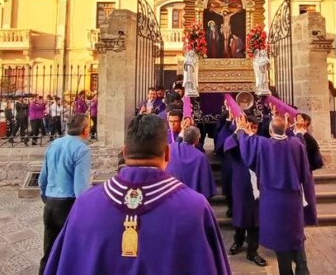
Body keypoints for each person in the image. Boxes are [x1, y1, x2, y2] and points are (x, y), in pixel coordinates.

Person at [43, 114, 231, 275]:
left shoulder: (85, 204)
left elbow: (67, 264)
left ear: (124, 153)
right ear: (167, 153)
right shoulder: (195, 207)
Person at [234, 115, 317, 275]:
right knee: (296, 235)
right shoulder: (296, 144)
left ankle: (286, 271)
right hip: (293, 198)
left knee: (281, 239)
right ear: (285, 128)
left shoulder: (263, 145)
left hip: (273, 200)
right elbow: (305, 171)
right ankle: (302, 269)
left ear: (270, 131)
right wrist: (299, 131)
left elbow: (248, 147)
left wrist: (241, 130)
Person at [38, 114, 92, 274]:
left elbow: (42, 178)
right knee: (69, 250)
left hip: (50, 203)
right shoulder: (82, 149)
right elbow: (80, 186)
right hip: (68, 205)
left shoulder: (54, 144)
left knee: (48, 250)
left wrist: (46, 198)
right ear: (85, 129)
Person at [222, 115, 267, 267]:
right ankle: (238, 241)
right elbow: (226, 146)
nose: (252, 130)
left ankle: (252, 251)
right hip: (241, 184)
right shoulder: (237, 140)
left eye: (254, 128)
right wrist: (238, 131)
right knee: (240, 216)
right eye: (249, 127)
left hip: (258, 187)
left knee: (256, 221)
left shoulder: (260, 142)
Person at [166, 126, 217, 199]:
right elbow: (205, 183)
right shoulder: (201, 157)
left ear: (184, 137)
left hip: (174, 195)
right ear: (197, 140)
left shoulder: (172, 149)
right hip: (193, 199)